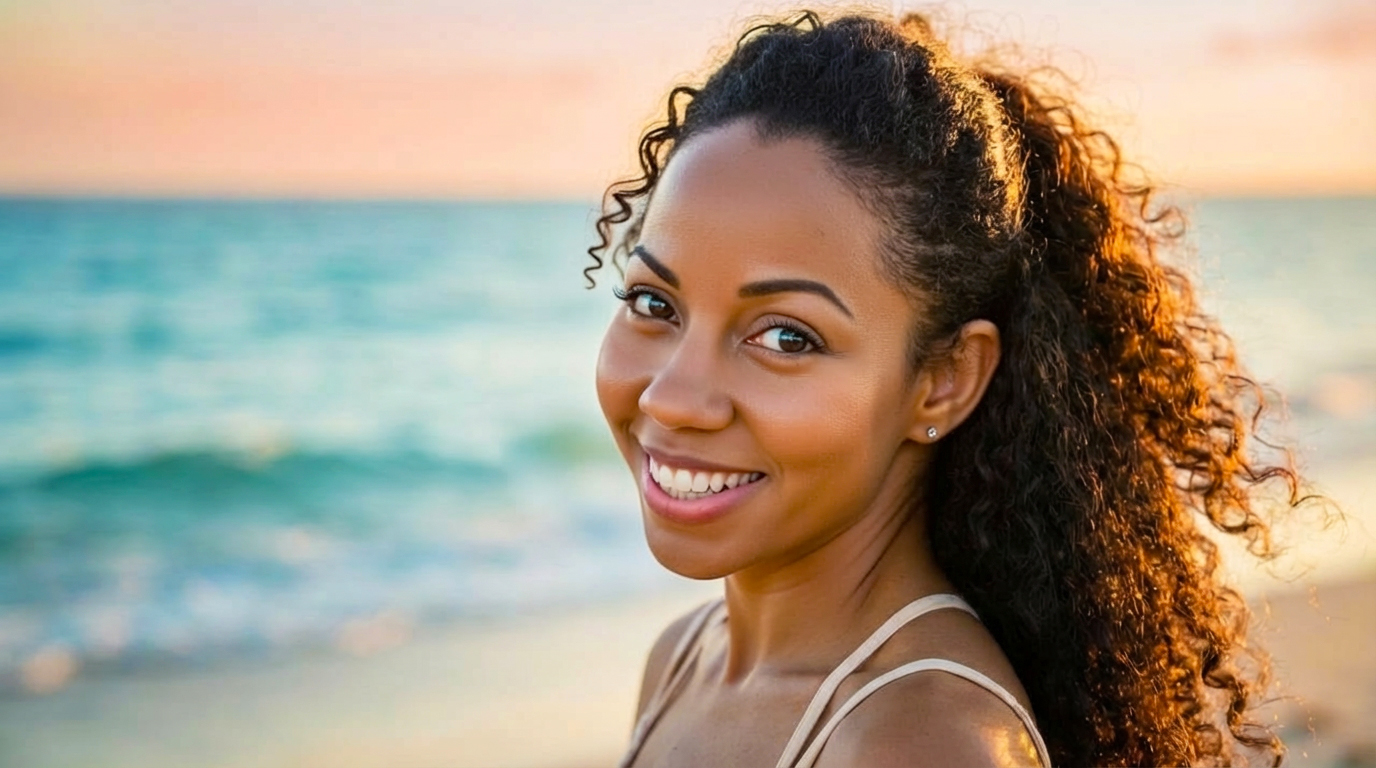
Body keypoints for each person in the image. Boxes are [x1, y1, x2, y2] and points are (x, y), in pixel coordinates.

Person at [587, 10, 1311, 767]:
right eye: (653, 303)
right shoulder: (682, 659)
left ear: (944, 381)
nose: (671, 398)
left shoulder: (924, 743)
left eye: (786, 337)